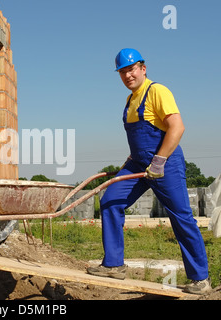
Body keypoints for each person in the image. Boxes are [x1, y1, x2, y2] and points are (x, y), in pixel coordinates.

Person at [87, 48, 211, 295]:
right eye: (122, 72)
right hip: (138, 164)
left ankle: (200, 279)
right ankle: (114, 265)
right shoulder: (130, 100)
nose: (127, 75)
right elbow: (140, 138)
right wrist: (130, 160)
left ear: (143, 68)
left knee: (181, 217)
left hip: (165, 164)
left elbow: (177, 127)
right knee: (110, 200)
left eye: (131, 69)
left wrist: (159, 161)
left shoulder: (157, 91)